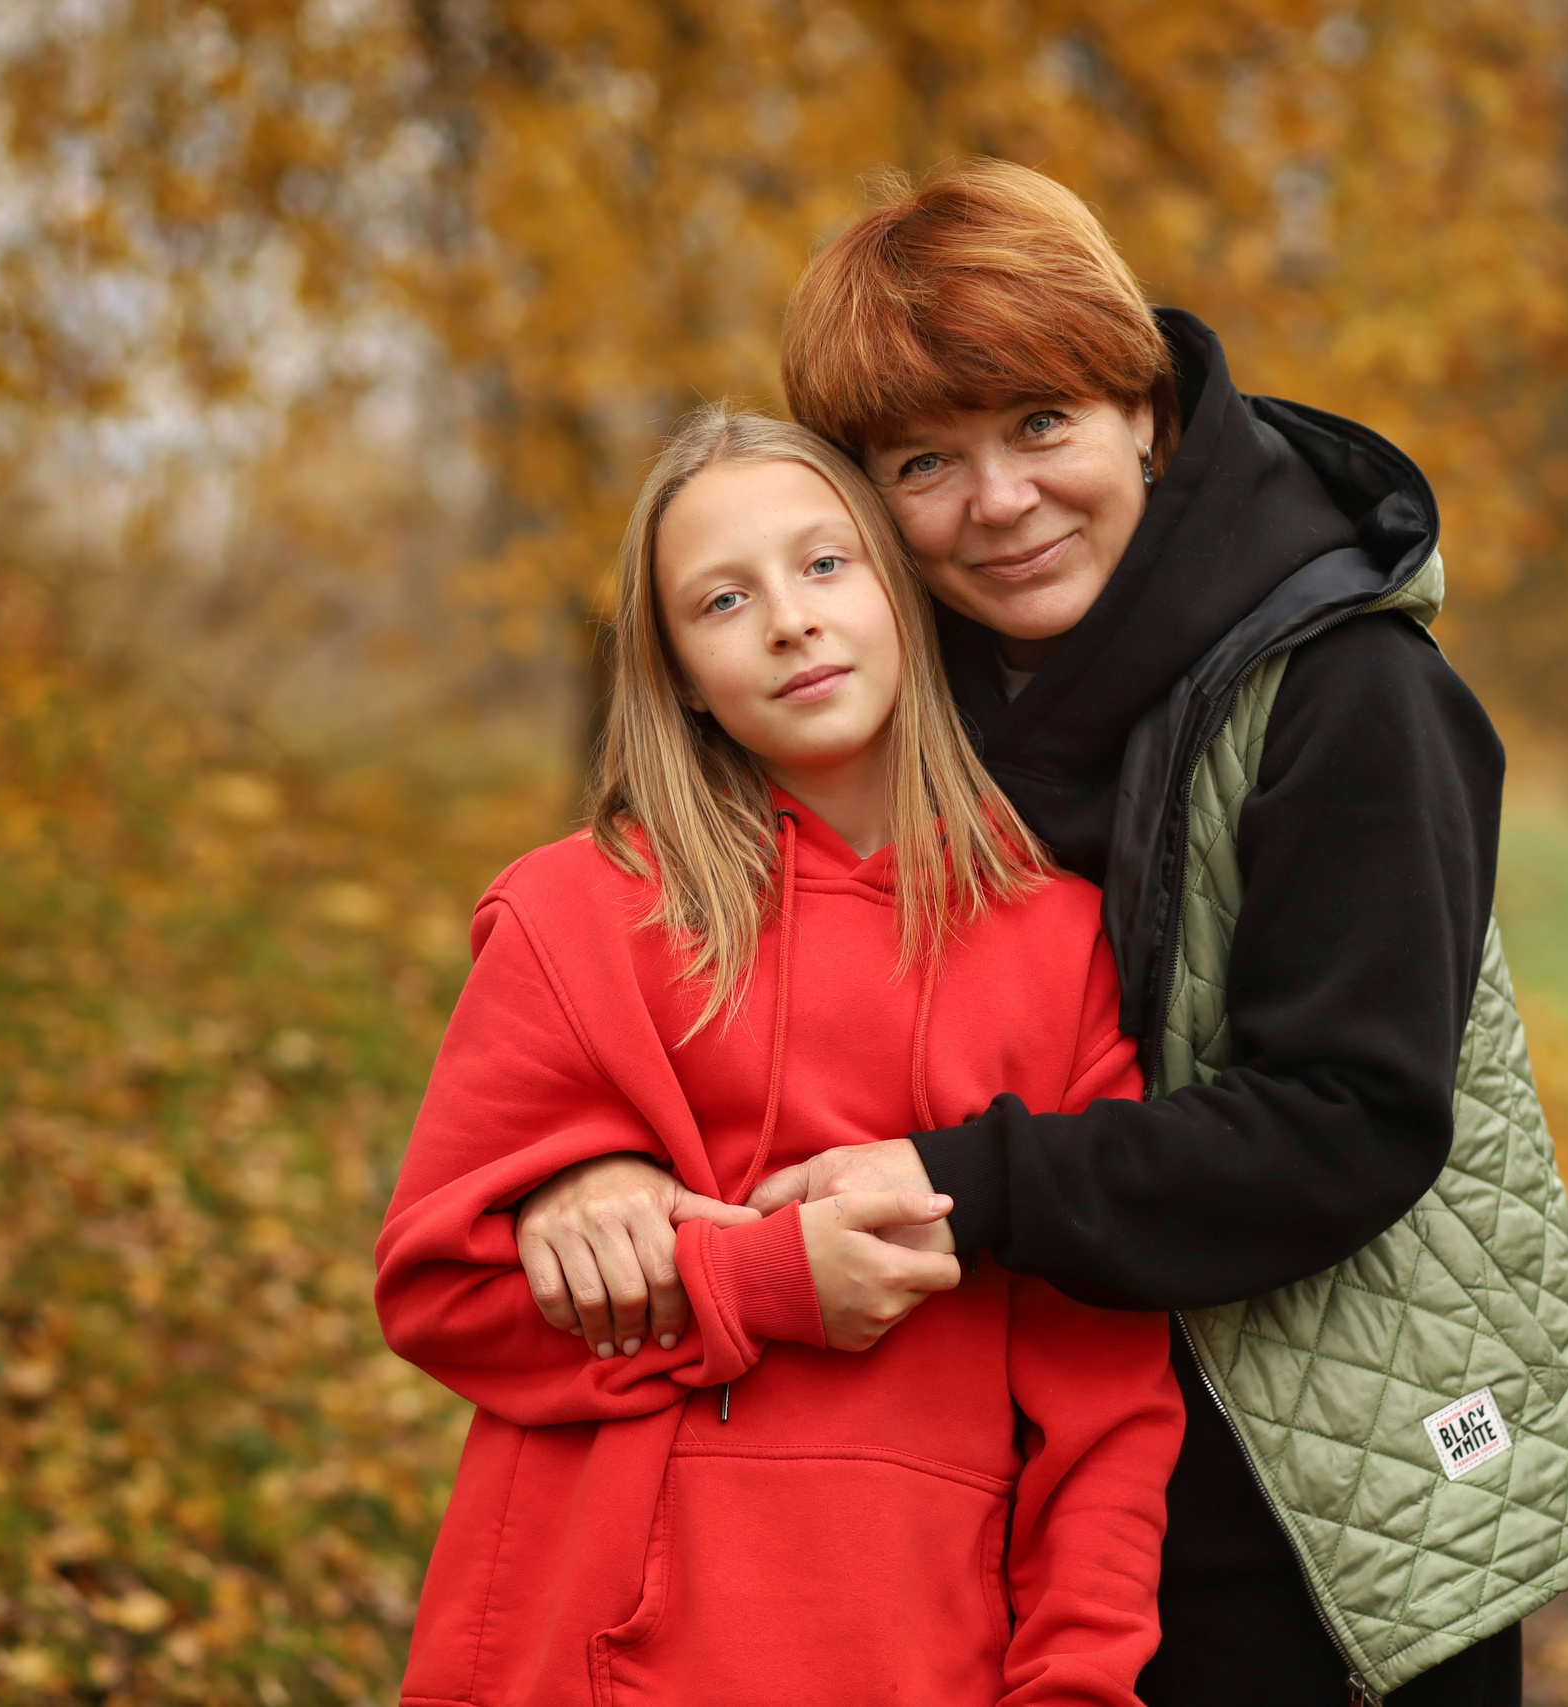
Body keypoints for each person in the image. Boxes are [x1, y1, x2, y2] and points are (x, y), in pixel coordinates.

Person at [516, 164, 1568, 1705]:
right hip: (997, 1514)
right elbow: (745, 986)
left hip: (1304, 1501)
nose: (1000, 501)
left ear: (1147, 414)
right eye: (926, 461)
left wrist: (962, 1182)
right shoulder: (912, 699)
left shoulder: (1350, 699)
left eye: (1042, 425)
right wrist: (593, 1163)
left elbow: (1348, 1125)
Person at [375, 406, 1184, 1707]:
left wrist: (1078, 1685)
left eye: (824, 566)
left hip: (914, 1651)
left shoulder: (1066, 944)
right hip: (579, 1647)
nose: (790, 622)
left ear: (902, 595)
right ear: (681, 671)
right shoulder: (576, 916)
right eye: (721, 600)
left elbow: (1106, 1404)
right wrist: (754, 1282)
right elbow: (440, 1292)